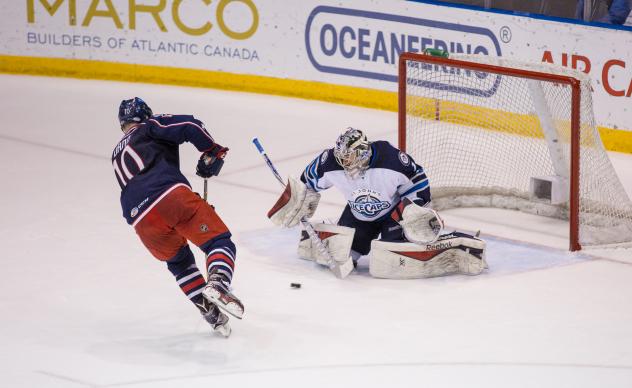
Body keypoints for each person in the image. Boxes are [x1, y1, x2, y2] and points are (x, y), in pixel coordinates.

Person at [267, 128, 487, 279]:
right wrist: (298, 201)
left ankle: (453, 241)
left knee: (392, 259)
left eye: (349, 158)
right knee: (345, 257)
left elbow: (418, 178)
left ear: (362, 151)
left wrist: (414, 208)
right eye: (342, 157)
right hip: (358, 216)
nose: (344, 163)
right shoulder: (330, 162)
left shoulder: (390, 158)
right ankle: (335, 228)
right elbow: (308, 182)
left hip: (392, 214)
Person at [111, 97, 244, 337]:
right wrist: (213, 151)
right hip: (170, 198)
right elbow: (191, 126)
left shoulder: (116, 153)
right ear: (145, 115)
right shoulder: (149, 126)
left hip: (141, 222)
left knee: (179, 264)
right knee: (219, 242)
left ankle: (211, 314)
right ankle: (218, 283)